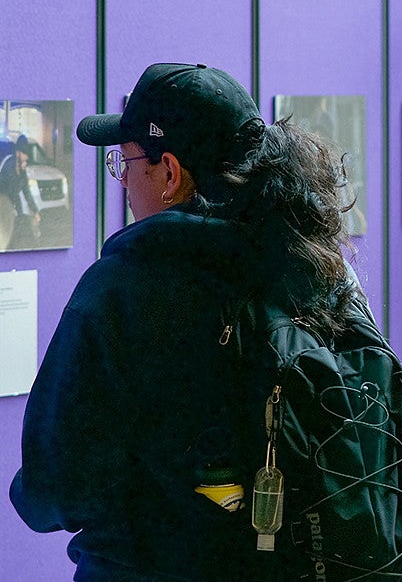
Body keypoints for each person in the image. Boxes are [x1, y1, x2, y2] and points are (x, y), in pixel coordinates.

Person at [9, 63, 363, 580]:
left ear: (170, 174)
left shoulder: (122, 290)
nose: (124, 179)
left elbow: (50, 491)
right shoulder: (316, 270)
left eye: (126, 163)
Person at [0, 134, 41, 249]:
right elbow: (12, 190)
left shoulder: (20, 168)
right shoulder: (8, 167)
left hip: (10, 206)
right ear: (18, 153)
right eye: (24, 154)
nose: (26, 157)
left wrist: (35, 211)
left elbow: (26, 191)